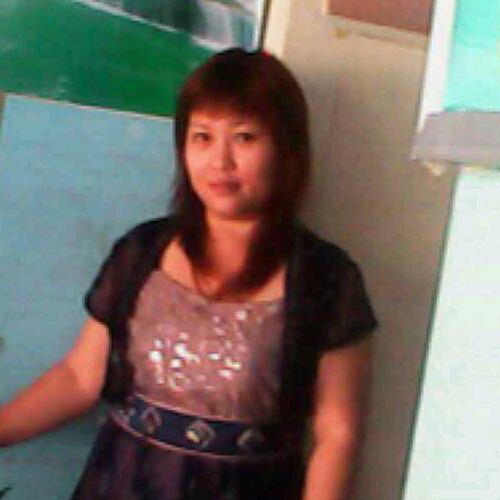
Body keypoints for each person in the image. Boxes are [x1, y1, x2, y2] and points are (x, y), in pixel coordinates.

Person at [0, 48, 378, 499]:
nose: (220, 161)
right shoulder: (143, 251)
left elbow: (338, 435)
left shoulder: (327, 278)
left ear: (286, 148)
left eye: (244, 138)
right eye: (202, 137)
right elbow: (80, 378)